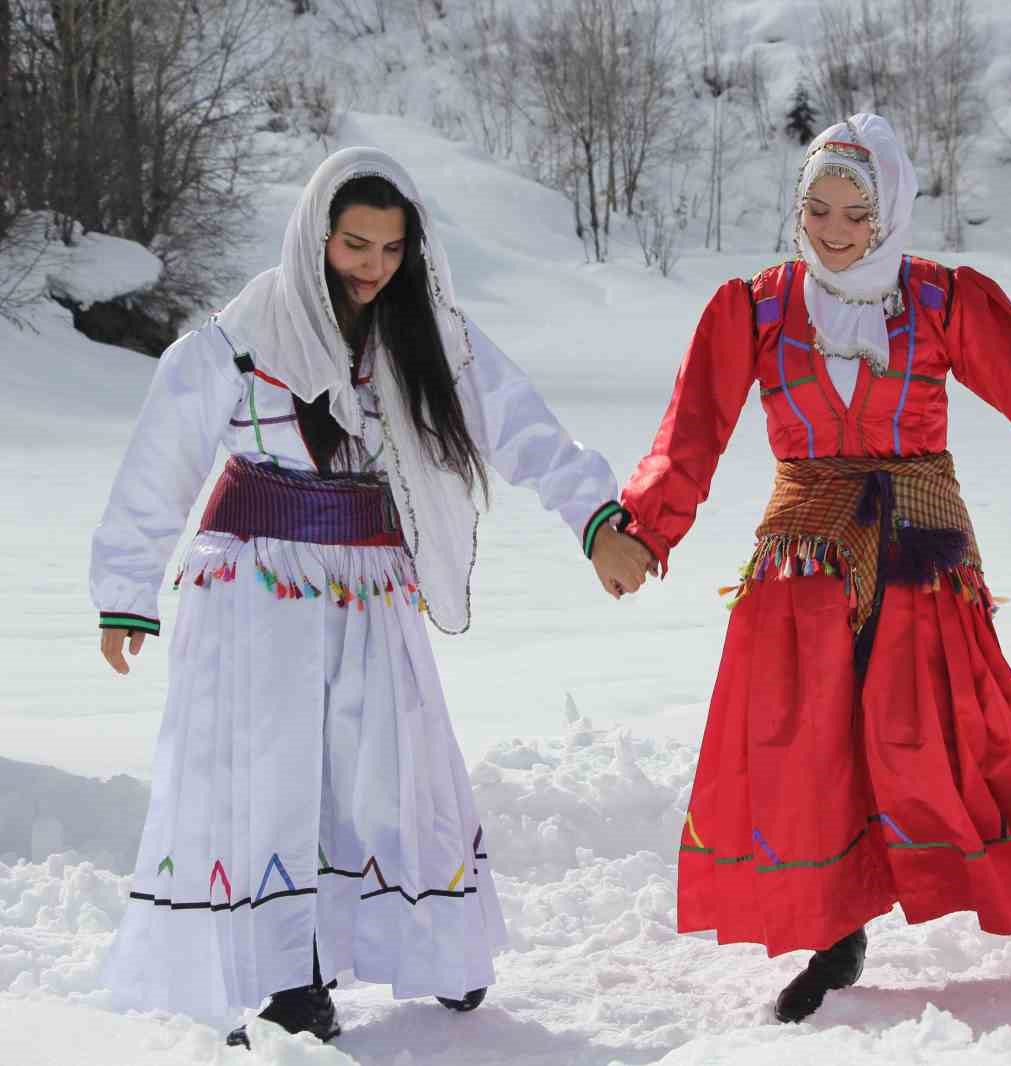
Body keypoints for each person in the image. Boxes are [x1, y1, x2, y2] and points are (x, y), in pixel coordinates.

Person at [90, 147, 651, 1047]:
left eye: (391, 250)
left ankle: (428, 939)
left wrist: (595, 520)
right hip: (256, 589)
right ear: (315, 236)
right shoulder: (237, 342)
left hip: (366, 583)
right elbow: (160, 463)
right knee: (275, 781)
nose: (372, 268)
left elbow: (519, 421)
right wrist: (125, 591)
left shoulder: (423, 333)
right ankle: (287, 977)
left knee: (391, 771)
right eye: (354, 244)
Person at [618, 114, 1011, 1023]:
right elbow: (691, 433)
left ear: (893, 213)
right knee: (810, 745)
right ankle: (836, 934)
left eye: (855, 213)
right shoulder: (751, 307)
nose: (833, 230)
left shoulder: (946, 302)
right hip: (804, 552)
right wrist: (644, 530)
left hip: (920, 547)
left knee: (948, 737)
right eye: (817, 208)